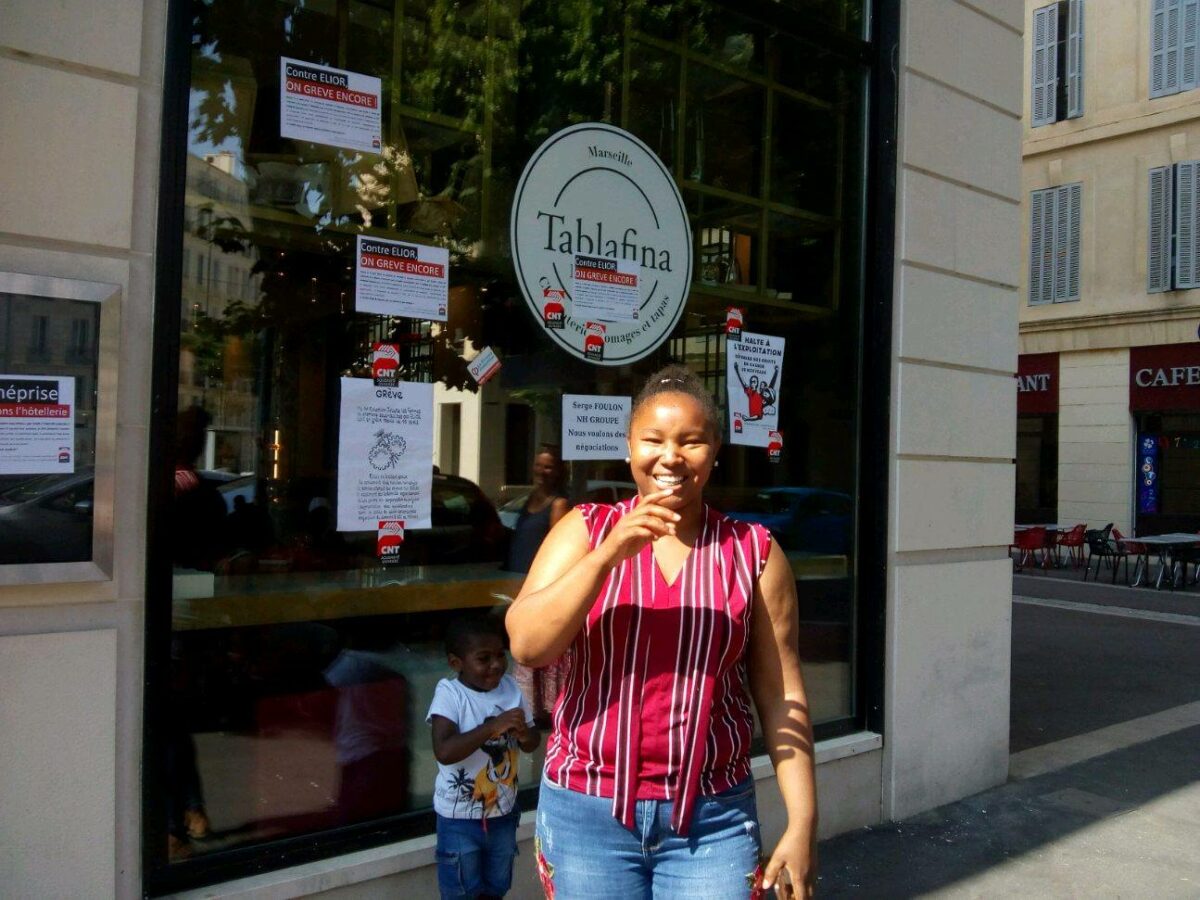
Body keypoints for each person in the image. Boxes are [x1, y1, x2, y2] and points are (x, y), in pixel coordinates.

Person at [506, 364, 817, 899]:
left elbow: (781, 692)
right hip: (586, 812)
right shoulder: (585, 530)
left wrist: (803, 820)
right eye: (653, 439)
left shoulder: (754, 553)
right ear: (630, 448)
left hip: (713, 818)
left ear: (714, 452)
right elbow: (529, 644)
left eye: (691, 441)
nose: (671, 456)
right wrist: (608, 556)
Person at [428, 614, 540, 900]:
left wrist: (523, 734)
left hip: (503, 813)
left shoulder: (512, 688)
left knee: (497, 885)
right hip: (459, 818)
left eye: (501, 655)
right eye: (484, 658)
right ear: (456, 663)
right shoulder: (450, 694)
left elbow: (531, 742)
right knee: (461, 890)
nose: (496, 664)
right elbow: (444, 751)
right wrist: (492, 727)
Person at [506, 445, 572, 726]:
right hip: (517, 583)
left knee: (536, 647)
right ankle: (529, 707)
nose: (542, 471)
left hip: (540, 587)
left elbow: (558, 548)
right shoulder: (531, 498)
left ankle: (545, 711)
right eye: (538, 465)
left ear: (559, 471)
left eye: (548, 466)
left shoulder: (558, 504)